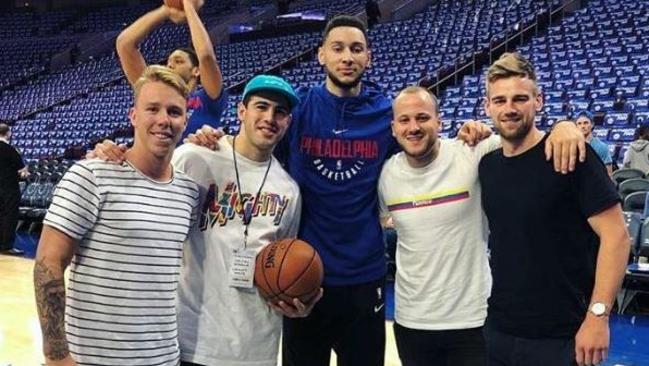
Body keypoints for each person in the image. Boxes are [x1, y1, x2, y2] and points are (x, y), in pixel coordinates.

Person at [93, 14, 585, 365]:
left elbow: (448, 135)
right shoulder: (298, 108)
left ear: (368, 56)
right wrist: (203, 136)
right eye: (338, 47)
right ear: (322, 54)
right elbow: (248, 138)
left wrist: (558, 124)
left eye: (356, 48)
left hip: (364, 280)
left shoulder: (385, 114)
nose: (347, 56)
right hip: (299, 283)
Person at [33, 65, 199, 366]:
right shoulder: (91, 174)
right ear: (133, 116)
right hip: (93, 359)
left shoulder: (188, 191)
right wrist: (56, 355)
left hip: (163, 358)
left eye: (174, 112)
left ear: (185, 120)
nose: (164, 120)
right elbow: (48, 261)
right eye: (153, 109)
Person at [478, 52, 629, 366]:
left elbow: (616, 237)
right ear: (487, 106)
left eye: (520, 98)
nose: (509, 108)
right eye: (500, 100)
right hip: (499, 330)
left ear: (538, 101)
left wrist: (598, 316)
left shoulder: (573, 155)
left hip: (563, 336)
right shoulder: (487, 166)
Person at [172, 74, 319, 365]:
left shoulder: (288, 189)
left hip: (256, 347)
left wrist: (296, 298)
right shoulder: (193, 159)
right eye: (261, 107)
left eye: (280, 112)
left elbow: (285, 259)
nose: (270, 117)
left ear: (288, 122)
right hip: (192, 341)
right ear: (242, 111)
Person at [379, 86, 499, 366]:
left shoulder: (472, 152)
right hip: (411, 321)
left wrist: (565, 127)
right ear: (393, 128)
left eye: (422, 117)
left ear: (439, 122)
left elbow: (526, 141)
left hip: (473, 319)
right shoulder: (386, 175)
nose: (413, 127)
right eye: (404, 120)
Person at [116, 0, 227, 140]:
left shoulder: (208, 97)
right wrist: (166, 10)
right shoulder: (156, 92)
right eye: (168, 62)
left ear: (196, 71)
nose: (170, 65)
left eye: (178, 61)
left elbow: (205, 56)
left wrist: (189, 7)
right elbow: (124, 44)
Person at [0, 123, 29, 255]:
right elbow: (22, 171)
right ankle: (6, 246)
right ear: (8, 133)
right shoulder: (10, 149)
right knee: (10, 216)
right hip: (9, 188)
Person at [575, 111, 612, 175]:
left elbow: (608, 174)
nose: (582, 126)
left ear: (592, 125)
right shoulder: (573, 146)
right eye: (579, 123)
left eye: (585, 123)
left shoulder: (602, 147)